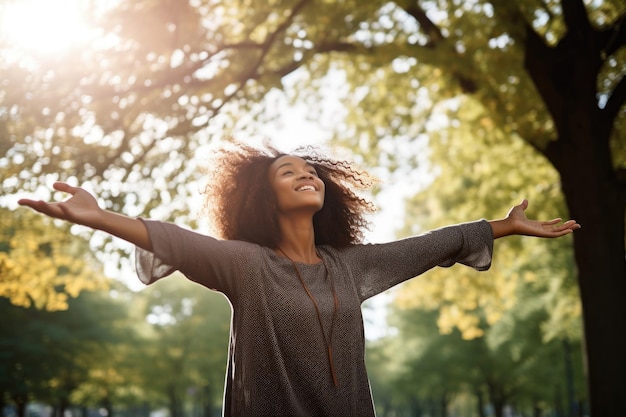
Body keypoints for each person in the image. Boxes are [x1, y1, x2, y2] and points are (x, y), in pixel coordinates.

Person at [18, 142, 581, 417]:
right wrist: (98, 217)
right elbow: (170, 237)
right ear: (266, 198)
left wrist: (502, 227)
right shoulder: (247, 265)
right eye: (288, 173)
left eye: (309, 171)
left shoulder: (351, 266)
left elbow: (430, 245)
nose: (305, 175)